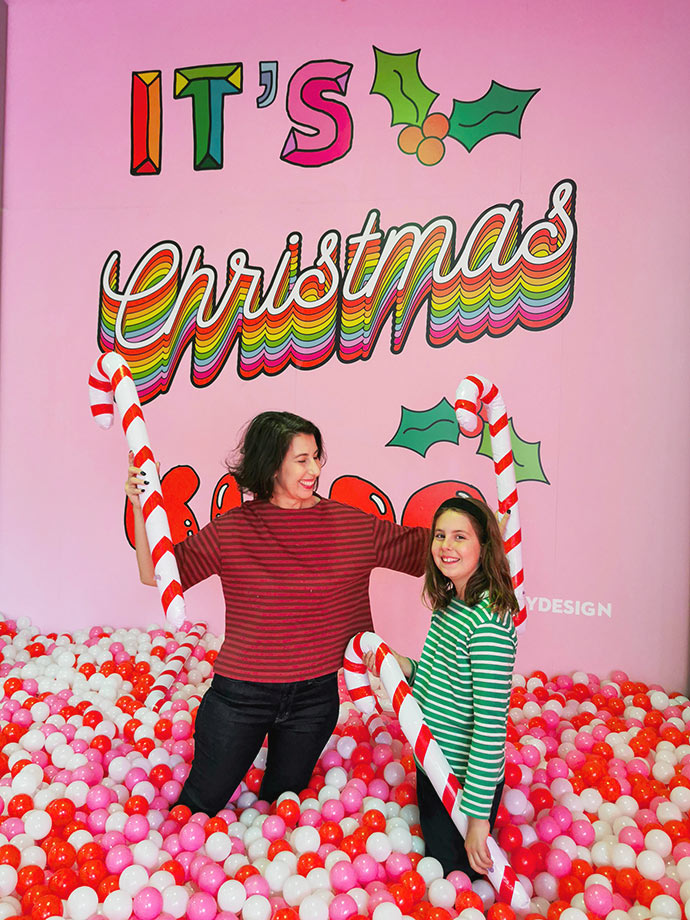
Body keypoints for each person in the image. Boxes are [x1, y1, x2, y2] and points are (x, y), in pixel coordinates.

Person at [125, 410, 427, 815]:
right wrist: (141, 505)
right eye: (302, 459)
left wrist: (483, 533)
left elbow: (428, 551)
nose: (315, 469)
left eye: (316, 456)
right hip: (240, 697)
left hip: (314, 700)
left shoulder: (351, 526)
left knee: (282, 808)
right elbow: (156, 575)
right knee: (200, 804)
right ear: (270, 465)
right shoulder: (234, 529)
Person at [364, 496, 517, 878]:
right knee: (435, 859)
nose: (446, 546)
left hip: (463, 781)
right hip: (433, 760)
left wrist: (478, 819)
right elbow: (441, 681)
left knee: (455, 876)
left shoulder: (488, 625)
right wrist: (407, 667)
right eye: (440, 535)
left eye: (460, 537)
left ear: (485, 547)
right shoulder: (451, 605)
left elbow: (489, 726)